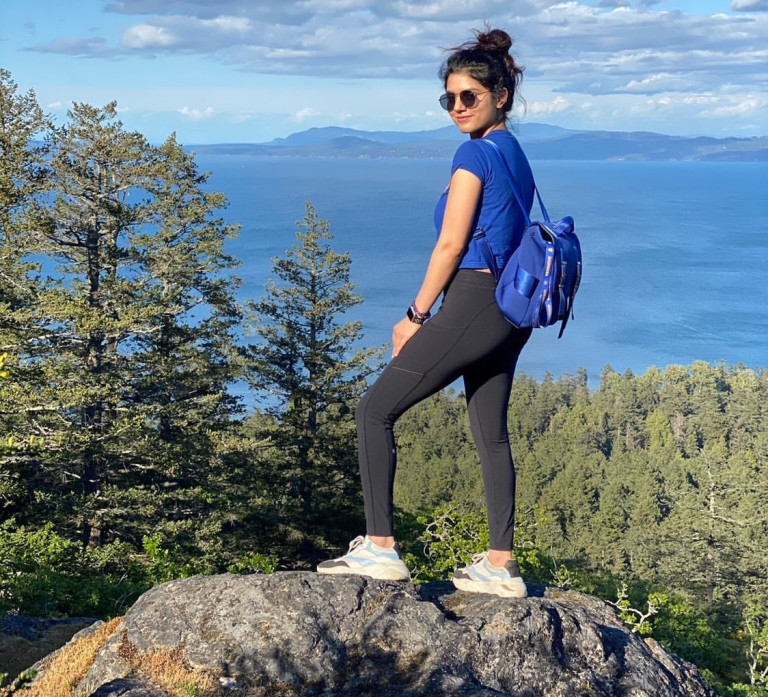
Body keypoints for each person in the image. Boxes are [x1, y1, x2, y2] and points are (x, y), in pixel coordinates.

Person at [317, 27, 535, 598]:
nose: (458, 108)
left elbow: (451, 246)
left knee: (374, 411)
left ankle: (380, 549)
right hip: (512, 308)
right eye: (450, 99)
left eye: (470, 97)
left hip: (473, 298)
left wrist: (414, 315)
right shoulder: (514, 153)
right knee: (491, 434)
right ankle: (500, 566)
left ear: (501, 95)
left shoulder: (474, 153)